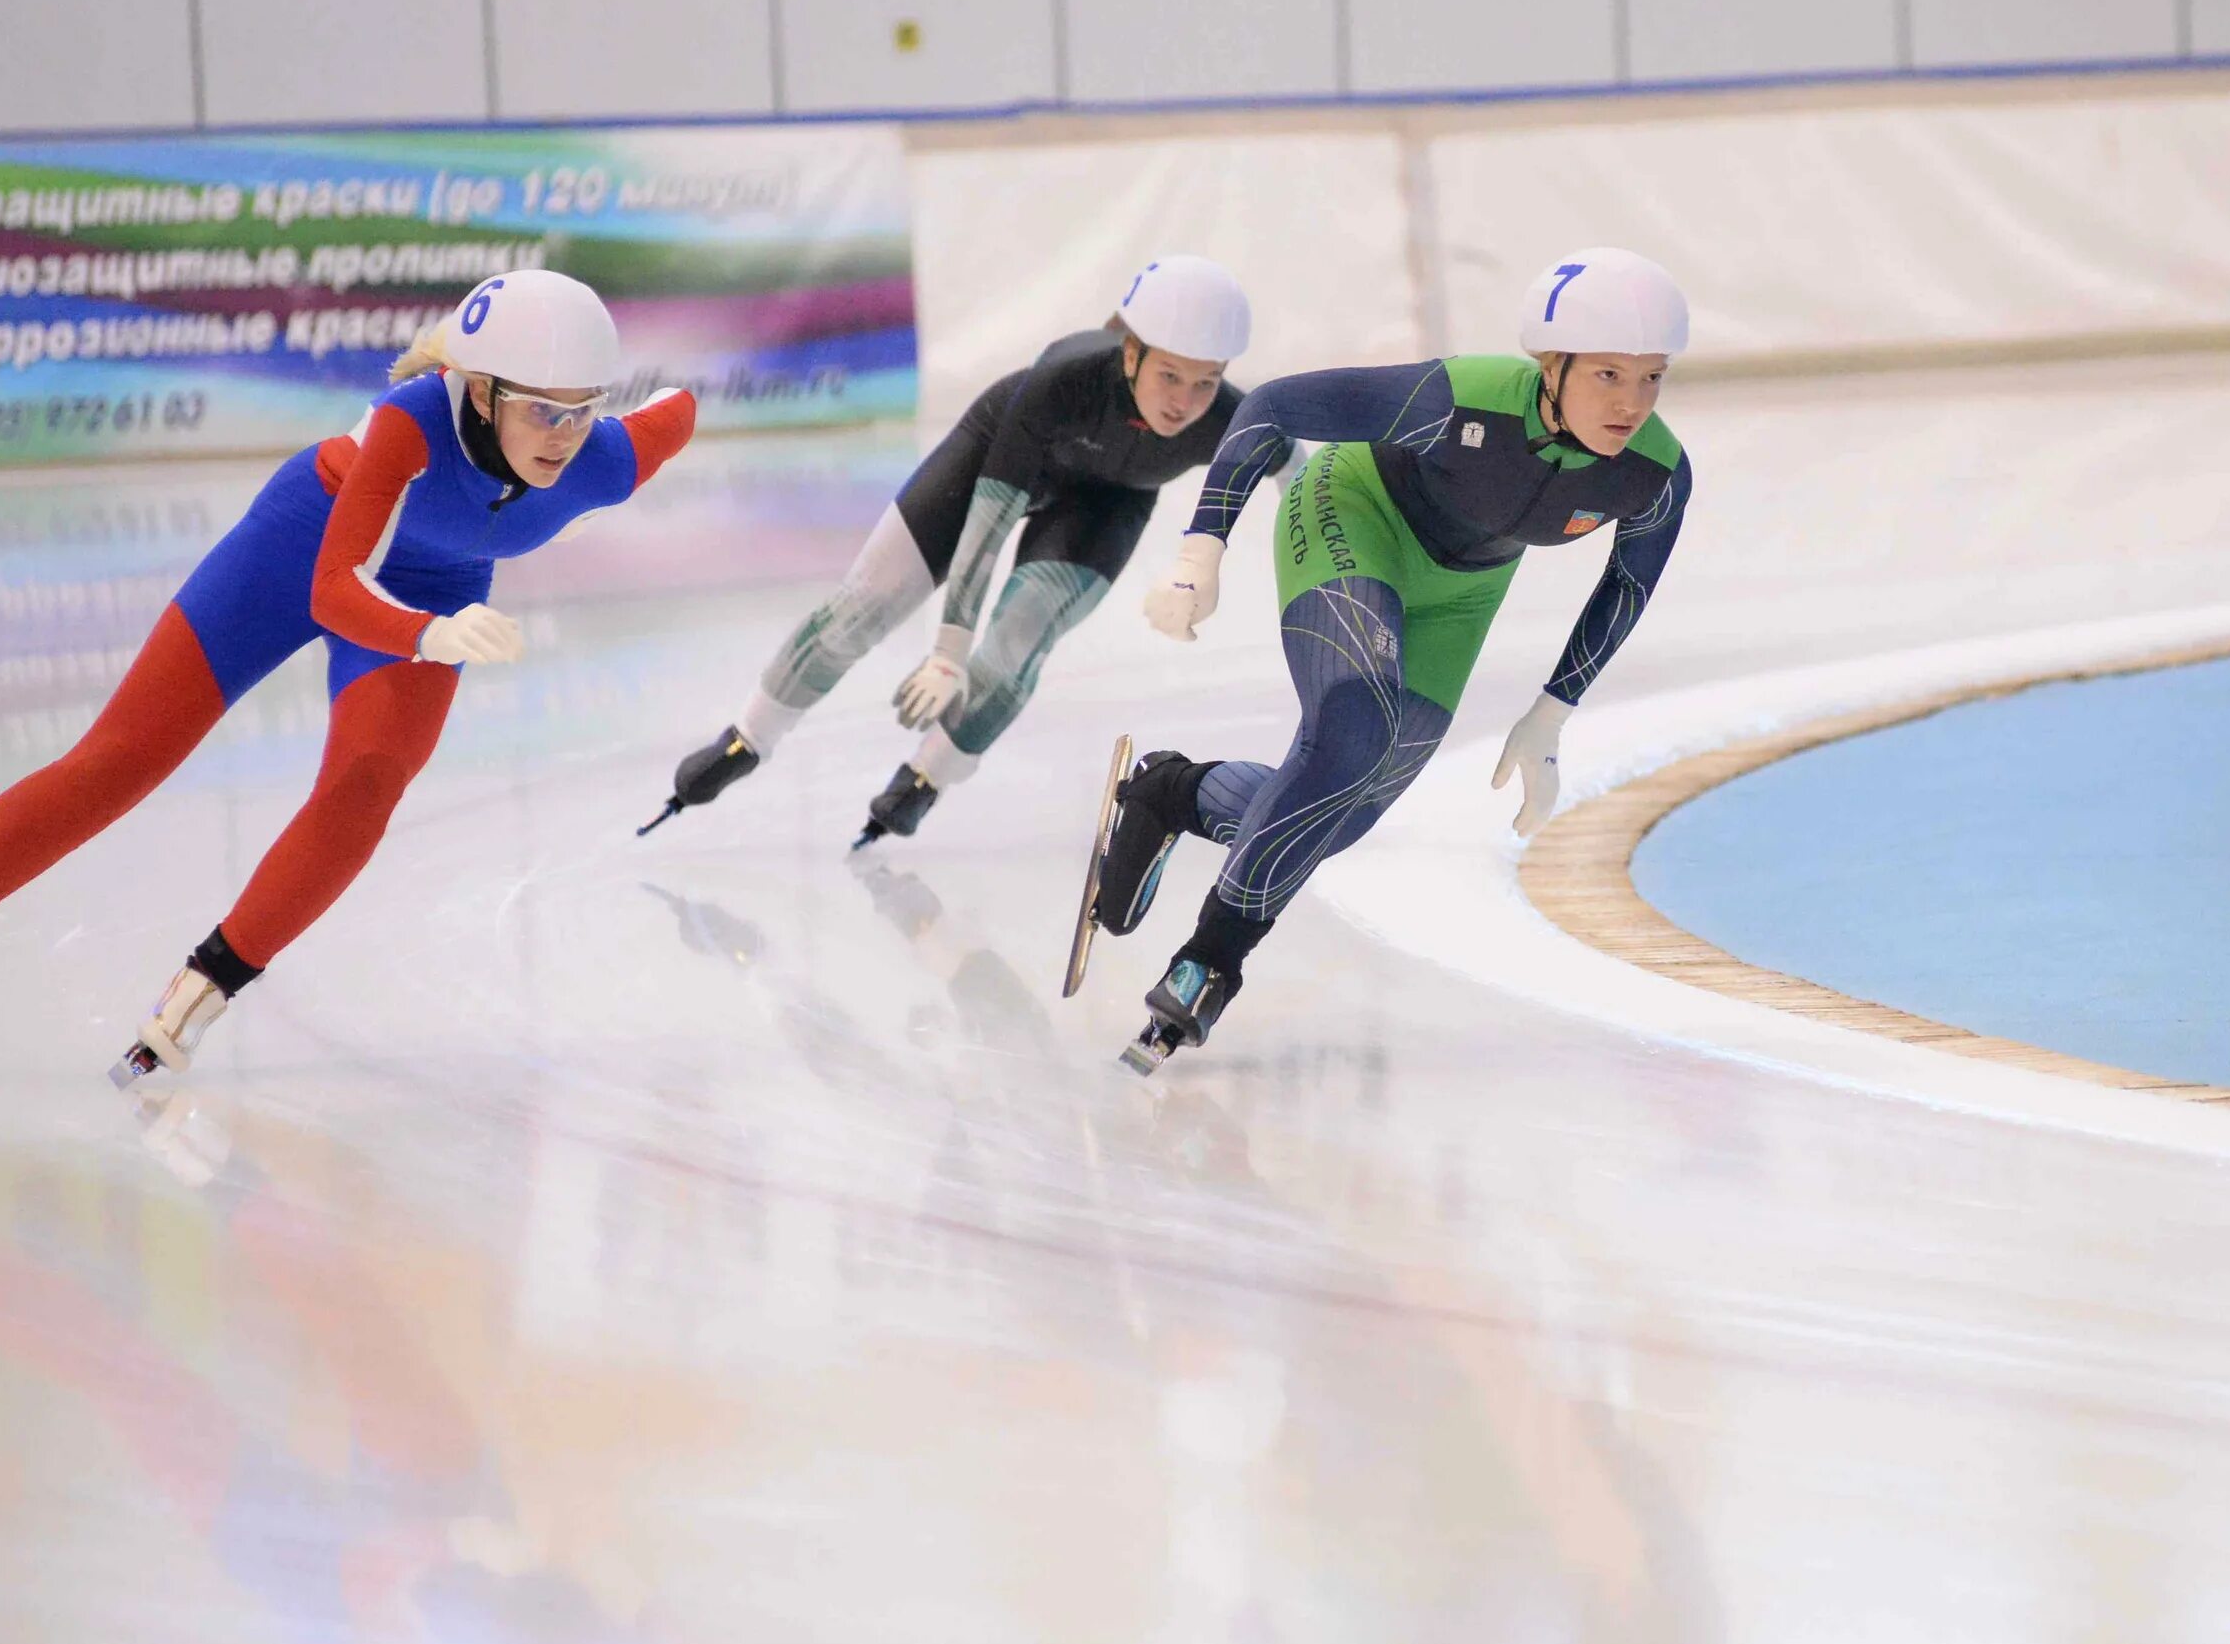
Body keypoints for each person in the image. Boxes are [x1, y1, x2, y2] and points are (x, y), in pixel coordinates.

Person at [0, 269, 693, 1080]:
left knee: (368, 785)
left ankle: (199, 994)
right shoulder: (411, 424)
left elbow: (679, 410)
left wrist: (432, 617)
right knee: (125, 756)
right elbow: (334, 590)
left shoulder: (604, 462)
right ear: (480, 393)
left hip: (436, 585)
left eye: (584, 409)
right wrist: (430, 635)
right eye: (544, 409)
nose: (565, 434)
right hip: (306, 541)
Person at [1077, 246, 1695, 1070]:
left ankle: (1169, 792)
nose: (1632, 403)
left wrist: (1553, 711)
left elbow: (1626, 586)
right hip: (1355, 509)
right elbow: (1268, 407)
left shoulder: (1656, 473)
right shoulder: (1459, 398)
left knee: (1341, 814)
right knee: (1350, 732)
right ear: (1552, 364)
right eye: (1609, 375)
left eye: (1651, 377)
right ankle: (1211, 962)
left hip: (1463, 591)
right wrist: (1201, 549)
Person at [643, 257, 1252, 847]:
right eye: (1169, 375)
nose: (1183, 401)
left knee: (1016, 646)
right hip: (993, 460)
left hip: (1107, 505)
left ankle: (925, 777)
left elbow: (1296, 471)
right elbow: (987, 526)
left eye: (1206, 382)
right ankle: (748, 736)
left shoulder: (1229, 415)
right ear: (1130, 354)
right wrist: (946, 652)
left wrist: (1200, 569)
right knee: (865, 606)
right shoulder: (1064, 380)